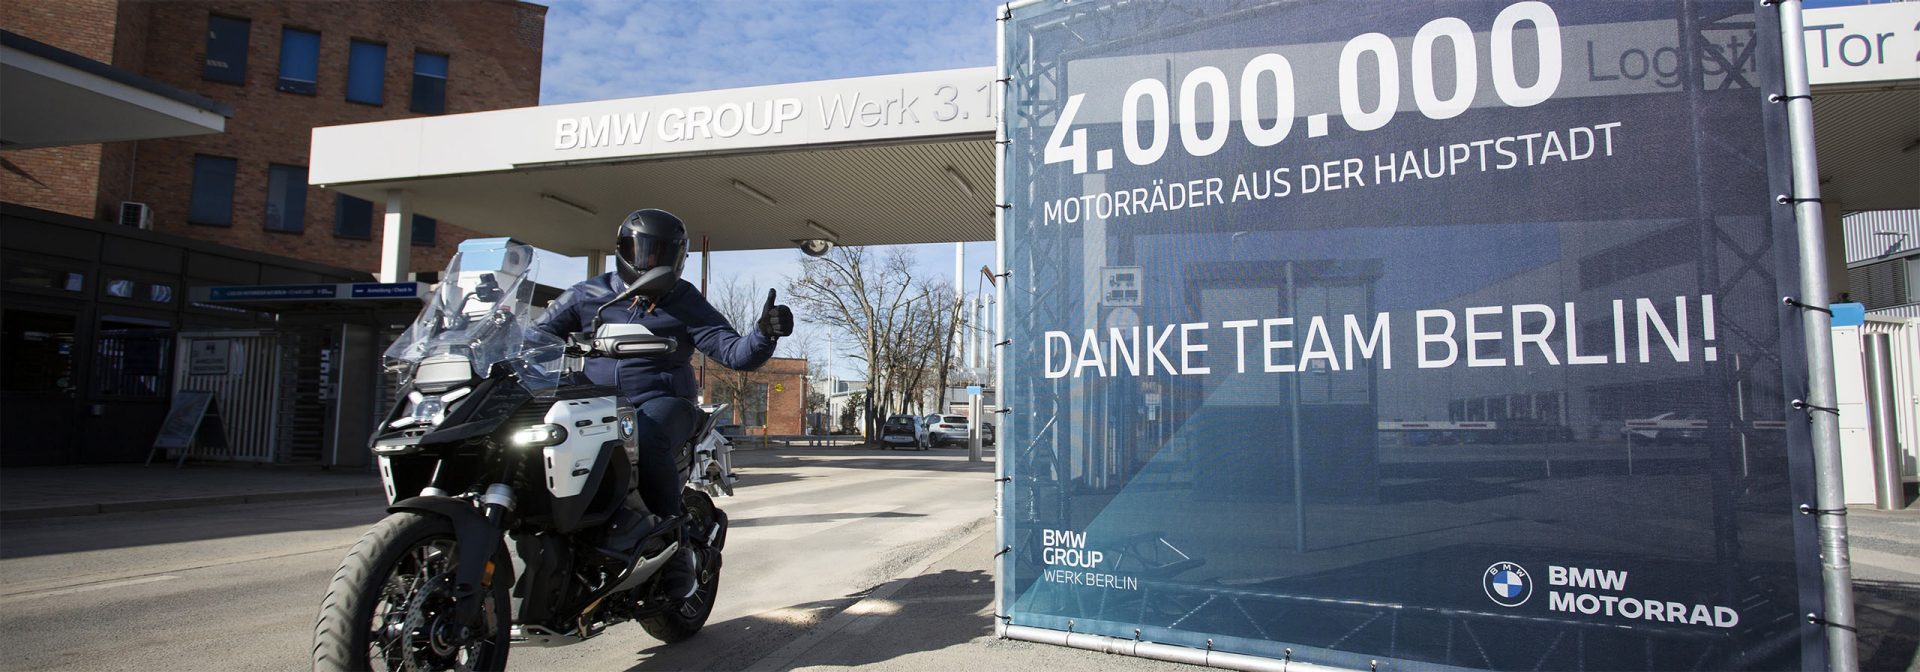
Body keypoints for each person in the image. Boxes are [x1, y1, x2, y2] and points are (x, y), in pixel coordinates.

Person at [534, 208, 792, 521]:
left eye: (660, 253)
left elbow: (733, 352)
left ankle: (671, 532)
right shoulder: (589, 294)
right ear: (623, 250)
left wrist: (764, 333)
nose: (649, 261)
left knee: (644, 435)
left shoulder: (684, 300)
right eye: (641, 251)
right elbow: (537, 335)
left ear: (678, 257)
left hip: (661, 403)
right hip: (596, 401)